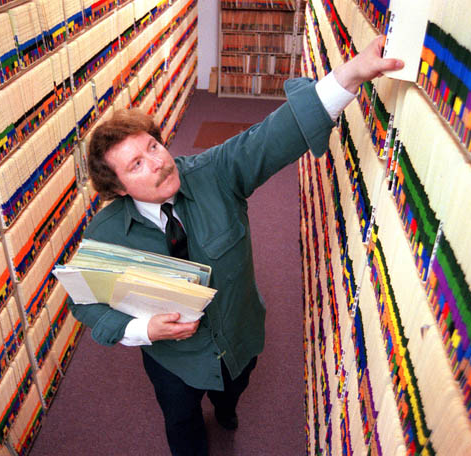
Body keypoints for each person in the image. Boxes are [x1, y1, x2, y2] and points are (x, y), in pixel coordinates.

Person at [67, 36, 403, 455]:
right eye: (136, 164)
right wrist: (141, 330)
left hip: (240, 339)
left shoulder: (214, 172)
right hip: (173, 363)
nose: (158, 162)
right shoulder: (106, 231)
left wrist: (350, 75)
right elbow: (82, 301)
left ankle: (227, 408)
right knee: (182, 421)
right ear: (117, 188)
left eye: (153, 146)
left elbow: (274, 135)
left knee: (232, 393)